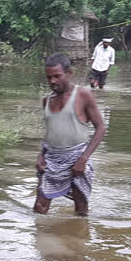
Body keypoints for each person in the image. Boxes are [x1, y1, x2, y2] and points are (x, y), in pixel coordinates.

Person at [34, 53, 106, 216]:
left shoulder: (83, 95)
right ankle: (39, 240)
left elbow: (101, 128)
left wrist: (83, 159)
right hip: (52, 159)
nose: (53, 81)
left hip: (77, 159)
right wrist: (40, 156)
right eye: (49, 77)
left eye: (57, 76)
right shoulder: (47, 100)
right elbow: (49, 132)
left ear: (69, 73)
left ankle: (77, 240)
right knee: (40, 207)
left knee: (80, 209)